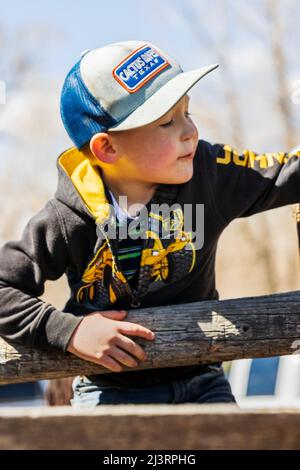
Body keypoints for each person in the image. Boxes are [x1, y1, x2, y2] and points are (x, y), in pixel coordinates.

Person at [0, 40, 299, 407]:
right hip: (109, 388)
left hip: (201, 378)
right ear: (107, 149)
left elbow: (287, 172)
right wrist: (70, 330)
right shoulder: (66, 217)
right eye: (167, 122)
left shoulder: (210, 174)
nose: (190, 130)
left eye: (187, 112)